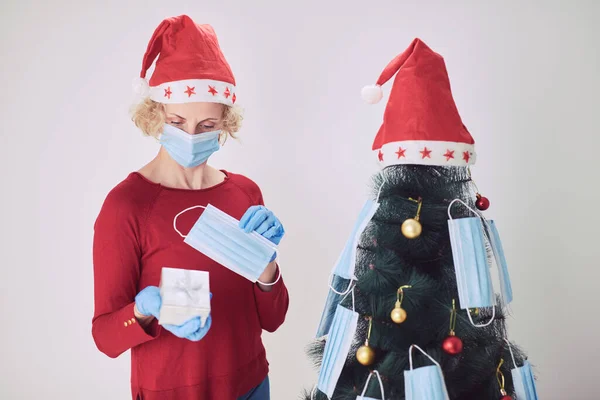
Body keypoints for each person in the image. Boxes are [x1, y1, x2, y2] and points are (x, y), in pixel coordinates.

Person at [91, 15, 289, 400]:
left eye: (206, 124)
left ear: (225, 124)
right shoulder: (126, 206)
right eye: (178, 121)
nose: (190, 136)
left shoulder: (245, 193)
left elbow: (273, 318)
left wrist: (267, 268)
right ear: (154, 116)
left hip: (252, 385)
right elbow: (105, 337)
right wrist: (144, 309)